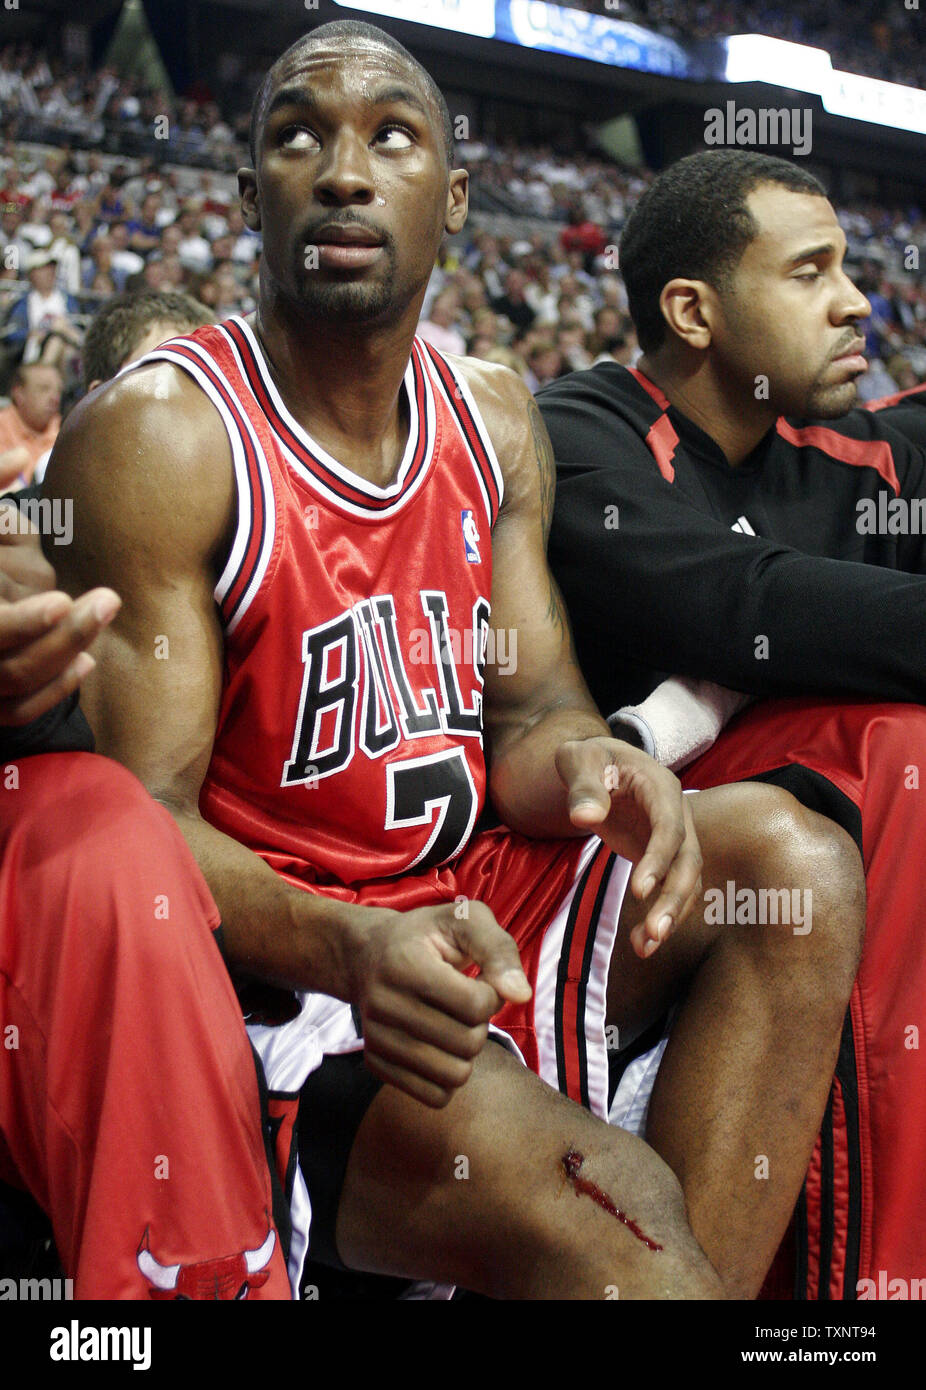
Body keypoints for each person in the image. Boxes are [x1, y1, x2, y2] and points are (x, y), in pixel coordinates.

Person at [43, 24, 864, 1301]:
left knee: (795, 864)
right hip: (282, 975)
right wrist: (348, 948)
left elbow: (530, 711)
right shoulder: (162, 436)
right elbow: (143, 836)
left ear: (457, 198)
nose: (343, 171)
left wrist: (602, 768)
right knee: (614, 1215)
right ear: (251, 190)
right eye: (296, 134)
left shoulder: (491, 413)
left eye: (391, 136)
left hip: (467, 894)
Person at [541, 148, 926, 1298]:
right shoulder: (576, 433)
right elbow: (727, 603)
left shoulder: (860, 450)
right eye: (809, 272)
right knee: (896, 749)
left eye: (849, 268)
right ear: (692, 311)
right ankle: (868, 1283)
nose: (855, 301)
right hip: (597, 876)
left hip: (761, 860)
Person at [0, 296, 290, 1300]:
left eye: (213, 404)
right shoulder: (27, 540)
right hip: (133, 948)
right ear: (91, 417)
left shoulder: (273, 537)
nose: (184, 432)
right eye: (158, 396)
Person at [0, 363, 62, 490]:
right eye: (44, 389)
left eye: (58, 391)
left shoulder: (67, 429)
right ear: (19, 393)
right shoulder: (2, 427)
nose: (55, 398)